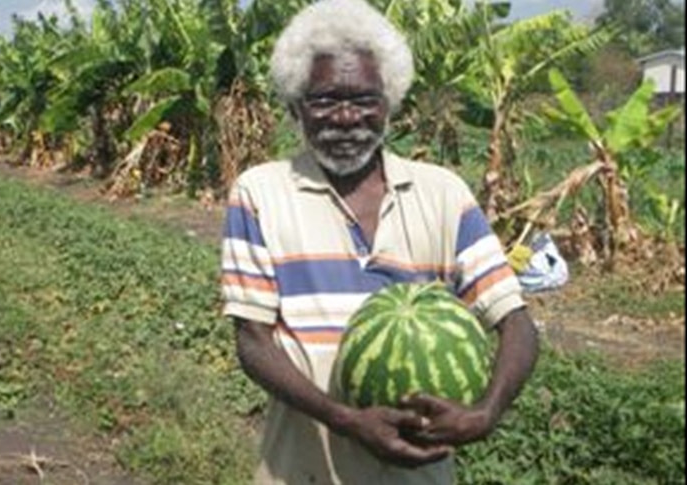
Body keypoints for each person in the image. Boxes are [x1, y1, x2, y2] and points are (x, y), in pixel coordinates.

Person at [219, 0, 540, 484]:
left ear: (389, 102)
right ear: (294, 108)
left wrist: (486, 413)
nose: (346, 117)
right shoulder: (260, 193)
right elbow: (252, 342)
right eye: (324, 99)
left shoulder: (444, 193)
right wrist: (346, 419)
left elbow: (515, 322)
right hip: (301, 471)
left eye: (365, 99)